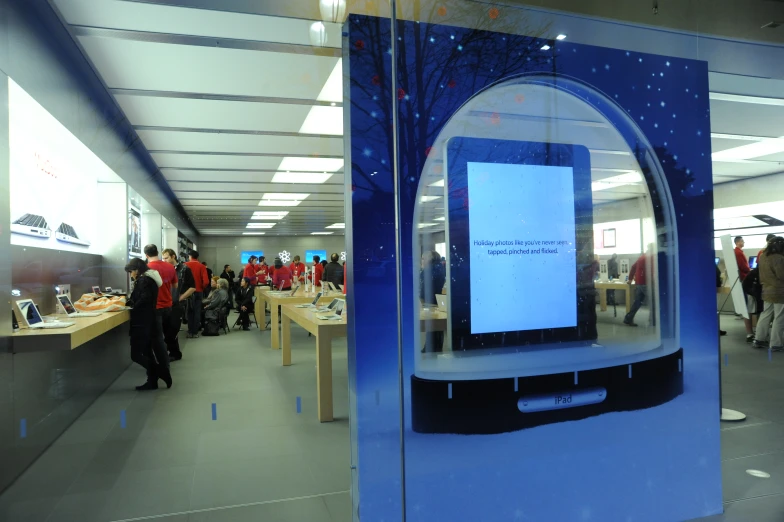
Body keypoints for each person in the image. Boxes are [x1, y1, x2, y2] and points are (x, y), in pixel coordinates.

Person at [125, 257, 172, 391]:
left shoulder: (143, 280)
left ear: (137, 270)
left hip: (141, 322)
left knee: (136, 354)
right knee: (147, 352)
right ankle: (152, 381)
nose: (131, 275)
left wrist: (132, 307)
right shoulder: (150, 278)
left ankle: (161, 372)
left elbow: (144, 299)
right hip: (149, 319)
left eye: (131, 272)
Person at [144, 245, 177, 375]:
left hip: (155, 307)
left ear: (146, 255)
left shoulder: (147, 268)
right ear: (158, 253)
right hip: (168, 305)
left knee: (157, 338)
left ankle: (162, 366)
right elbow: (175, 285)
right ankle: (169, 357)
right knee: (167, 334)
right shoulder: (170, 267)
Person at [753, 237, 784, 352]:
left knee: (765, 314)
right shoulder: (779, 258)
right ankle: (776, 344)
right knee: (779, 317)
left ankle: (759, 339)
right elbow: (782, 275)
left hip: (766, 290)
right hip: (779, 291)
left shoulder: (762, 256)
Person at [162, 249, 193, 360]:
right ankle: (175, 353)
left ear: (173, 256)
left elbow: (192, 287)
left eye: (166, 258)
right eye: (163, 258)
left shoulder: (184, 269)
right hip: (166, 303)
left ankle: (174, 353)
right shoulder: (165, 270)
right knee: (167, 329)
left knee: (172, 330)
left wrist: (181, 298)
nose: (164, 260)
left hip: (178, 304)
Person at [420, 251, 446, 352]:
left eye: (423, 258)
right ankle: (433, 348)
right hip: (435, 300)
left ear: (430, 259)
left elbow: (425, 286)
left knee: (433, 326)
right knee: (436, 328)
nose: (422, 261)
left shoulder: (430, 270)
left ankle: (431, 349)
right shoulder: (438, 268)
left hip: (431, 302)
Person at [624, 244, 654, 327]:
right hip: (646, 283)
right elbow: (652, 271)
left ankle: (628, 319)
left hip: (639, 283)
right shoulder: (651, 257)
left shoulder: (642, 256)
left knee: (637, 302)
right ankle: (653, 322)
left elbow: (633, 267)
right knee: (654, 302)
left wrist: (630, 279)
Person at [734, 236, 755, 342]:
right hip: (744, 279)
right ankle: (749, 332)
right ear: (738, 242)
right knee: (748, 305)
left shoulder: (735, 252)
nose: (744, 242)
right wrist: (751, 271)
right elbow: (744, 267)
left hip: (741, 279)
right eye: (742, 241)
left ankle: (750, 331)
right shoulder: (739, 253)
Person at [185, 250, 210, 338]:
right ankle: (195, 332)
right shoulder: (202, 266)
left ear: (190, 256)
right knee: (197, 311)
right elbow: (206, 281)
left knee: (189, 311)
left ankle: (189, 331)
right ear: (197, 257)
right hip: (198, 291)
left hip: (188, 292)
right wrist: (202, 287)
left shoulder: (185, 265)